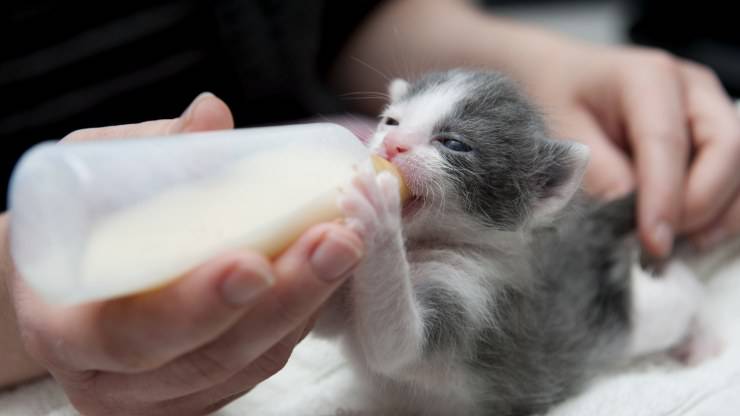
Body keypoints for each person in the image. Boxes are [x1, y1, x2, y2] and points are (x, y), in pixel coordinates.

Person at [1, 0, 739, 414]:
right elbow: (331, 320)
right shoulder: (390, 216)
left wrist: (546, 62)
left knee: (646, 315)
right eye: (393, 121)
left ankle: (686, 307)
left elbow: (397, 350)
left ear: (534, 195)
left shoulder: (472, 272)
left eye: (454, 145)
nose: (392, 146)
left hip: (556, 347)